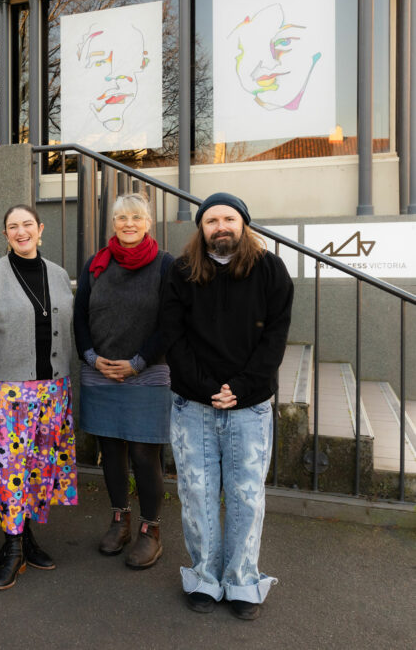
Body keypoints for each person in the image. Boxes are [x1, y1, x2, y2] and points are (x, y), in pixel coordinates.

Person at [161, 192, 293, 620]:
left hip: (249, 408)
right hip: (192, 406)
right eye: (212, 219)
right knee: (196, 494)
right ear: (201, 228)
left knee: (246, 498)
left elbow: (275, 337)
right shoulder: (182, 272)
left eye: (229, 218)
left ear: (244, 224)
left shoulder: (270, 270)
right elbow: (172, 337)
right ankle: (204, 578)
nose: (221, 226)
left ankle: (241, 582)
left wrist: (240, 387)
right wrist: (205, 388)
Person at [0, 204, 77, 590]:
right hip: (4, 393)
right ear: (5, 234)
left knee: (38, 470)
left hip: (52, 391)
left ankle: (25, 537)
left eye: (28, 225)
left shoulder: (58, 276)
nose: (21, 231)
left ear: (40, 230)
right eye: (13, 227)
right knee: (9, 473)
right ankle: (10, 546)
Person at [74, 193, 173, 570]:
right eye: (121, 218)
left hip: (146, 375)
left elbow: (170, 324)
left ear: (148, 222)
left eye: (136, 217)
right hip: (99, 372)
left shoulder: (166, 266)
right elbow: (80, 316)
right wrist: (90, 357)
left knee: (145, 457)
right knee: (110, 452)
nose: (128, 223)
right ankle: (120, 520)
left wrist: (137, 362)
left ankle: (151, 531)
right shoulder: (95, 265)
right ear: (112, 224)